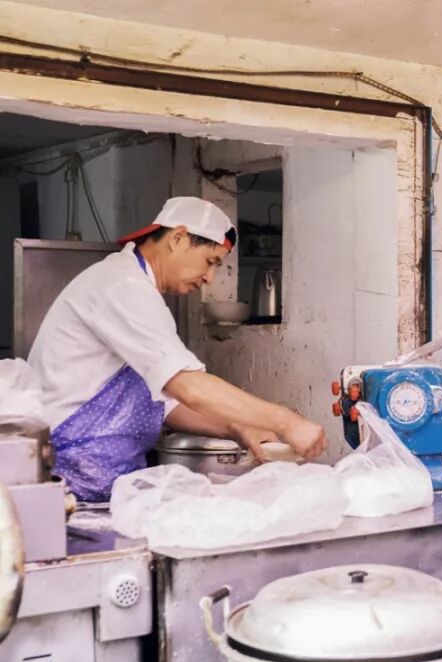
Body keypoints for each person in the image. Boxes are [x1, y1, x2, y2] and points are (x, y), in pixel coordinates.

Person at [28, 196, 327, 502]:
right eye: (210, 261)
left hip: (99, 481)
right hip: (66, 479)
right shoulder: (122, 286)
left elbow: (167, 405)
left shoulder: (135, 289)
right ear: (178, 238)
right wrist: (286, 421)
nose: (209, 278)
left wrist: (239, 429)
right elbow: (189, 387)